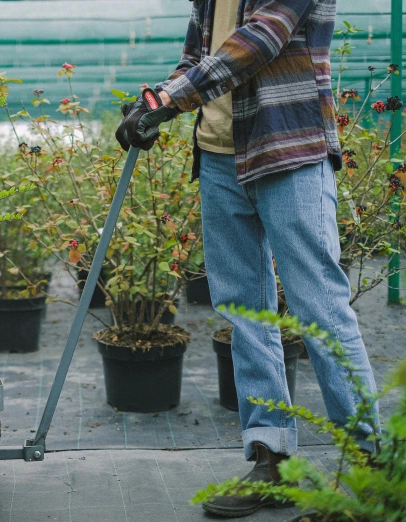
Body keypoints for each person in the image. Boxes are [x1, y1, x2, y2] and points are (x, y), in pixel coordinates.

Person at [116, 0, 380, 518]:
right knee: (244, 311)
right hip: (218, 159)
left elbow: (261, 38)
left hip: (291, 151)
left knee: (320, 309)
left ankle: (374, 473)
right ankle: (271, 457)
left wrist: (169, 98)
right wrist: (150, 103)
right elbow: (197, 55)